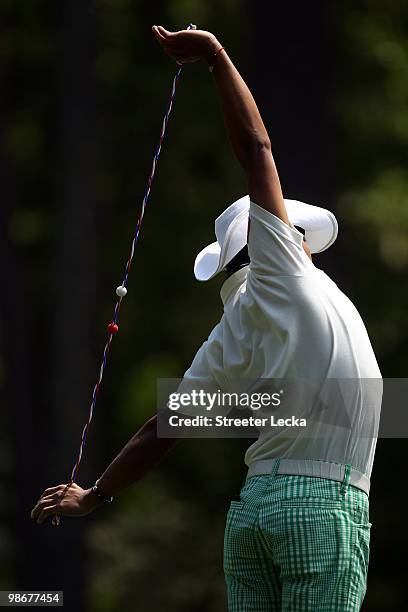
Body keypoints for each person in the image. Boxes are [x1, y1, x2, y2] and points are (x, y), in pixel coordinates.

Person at [31, 26, 382, 611]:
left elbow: (161, 430)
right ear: (279, 240)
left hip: (253, 513)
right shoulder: (284, 276)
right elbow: (256, 152)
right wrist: (217, 59)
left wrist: (95, 495)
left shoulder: (231, 330)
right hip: (320, 505)